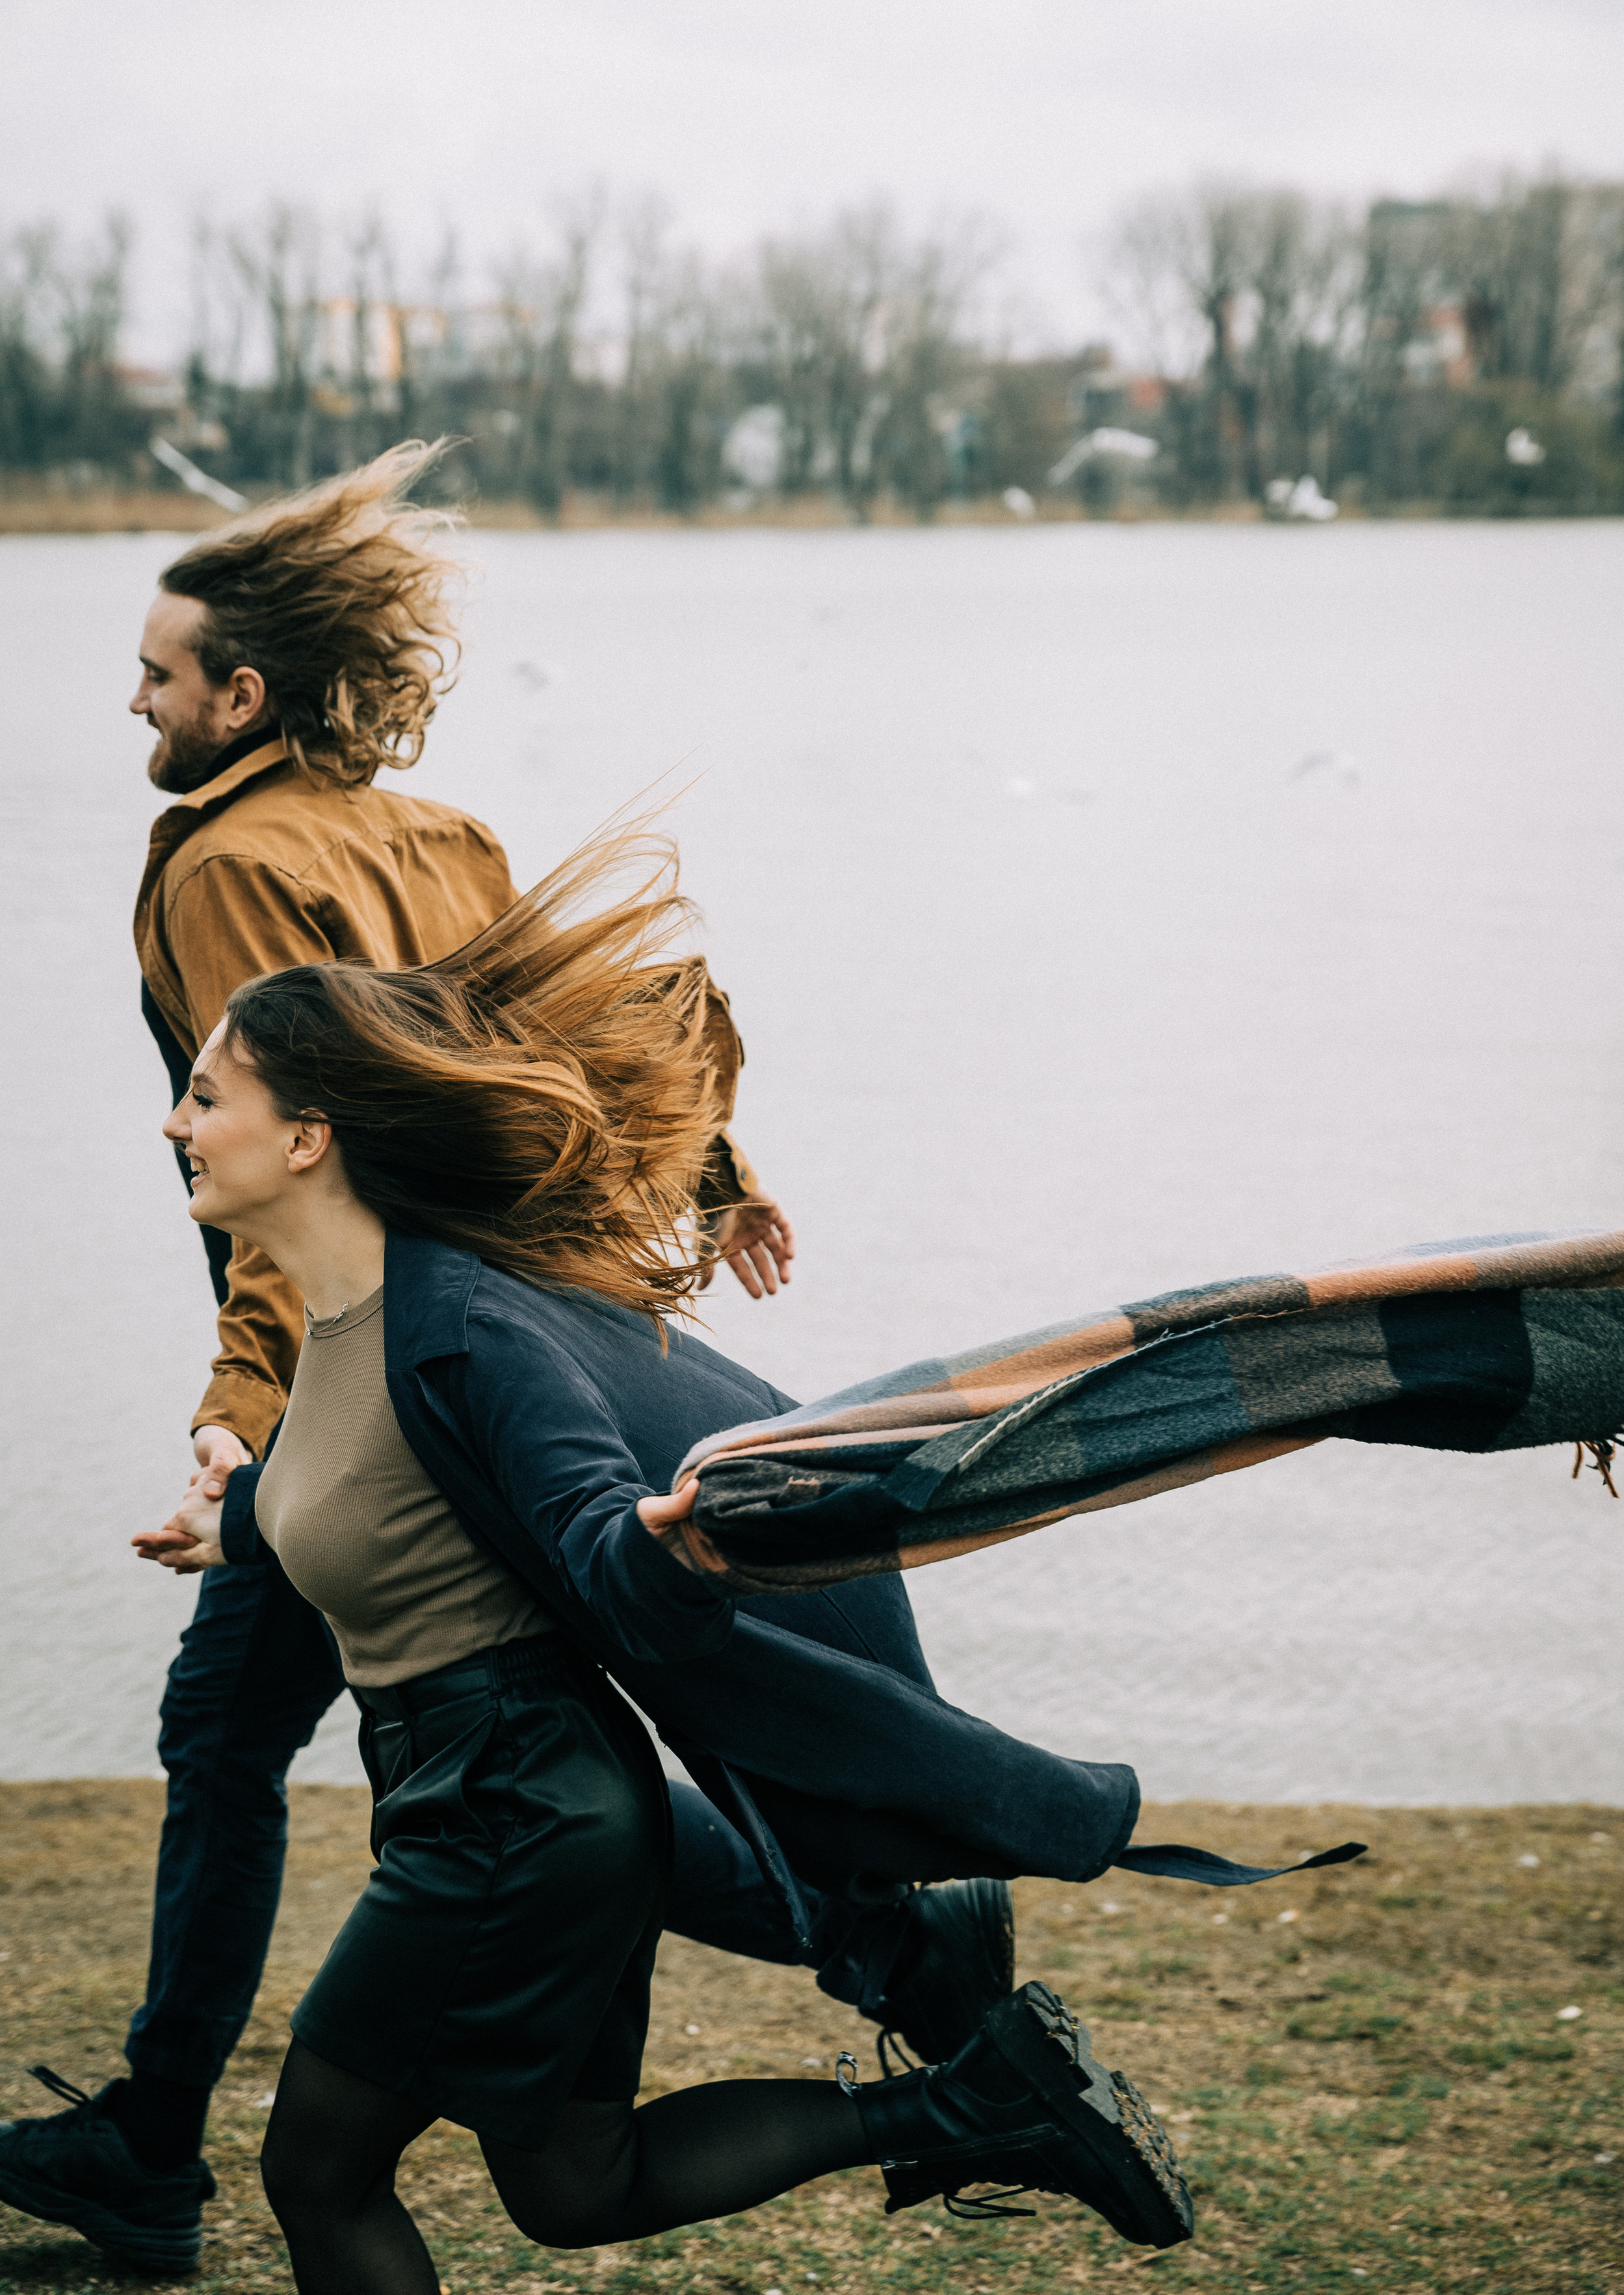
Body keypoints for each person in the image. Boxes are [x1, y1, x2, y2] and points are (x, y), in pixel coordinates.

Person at [3, 448, 1017, 2280]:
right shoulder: (443, 836)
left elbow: (297, 1164)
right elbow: (562, 1043)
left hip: (381, 1373)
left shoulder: (230, 868)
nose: (132, 703)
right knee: (504, 1732)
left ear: (245, 693)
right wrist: (719, 1171)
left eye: (156, 674)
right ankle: (888, 1934)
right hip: (524, 1340)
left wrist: (238, 1418)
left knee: (242, 1738)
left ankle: (156, 2146)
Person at [131, 831, 1194, 2289]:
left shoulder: (468, 1327)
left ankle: (962, 2079)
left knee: (318, 2176)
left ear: (308, 1136)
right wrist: (238, 1519)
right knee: (575, 2187)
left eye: (206, 1096)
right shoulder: (354, 1308)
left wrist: (673, 1548)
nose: (177, 1122)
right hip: (517, 1802)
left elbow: (595, 1543)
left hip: (511, 1810)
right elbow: (388, 1493)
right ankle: (979, 2104)